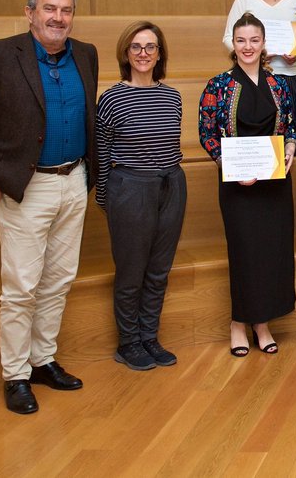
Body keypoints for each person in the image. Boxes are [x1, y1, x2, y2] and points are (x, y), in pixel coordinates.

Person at [0, 0, 97, 415]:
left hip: (73, 181)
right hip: (25, 187)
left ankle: (41, 360)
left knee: (59, 280)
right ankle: (15, 374)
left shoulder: (85, 54)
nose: (58, 18)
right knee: (21, 288)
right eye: (49, 9)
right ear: (30, 13)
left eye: (66, 10)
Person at [199, 13, 296, 358]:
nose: (248, 47)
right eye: (241, 40)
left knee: (272, 252)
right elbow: (207, 134)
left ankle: (263, 323)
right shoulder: (218, 85)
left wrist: (290, 146)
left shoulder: (279, 85)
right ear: (233, 44)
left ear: (263, 42)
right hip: (238, 186)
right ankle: (238, 323)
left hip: (274, 185)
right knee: (244, 254)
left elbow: (291, 126)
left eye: (254, 40)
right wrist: (229, 165)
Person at [96, 21, 186, 370]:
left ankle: (150, 337)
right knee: (131, 271)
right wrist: (105, 197)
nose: (144, 53)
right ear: (126, 53)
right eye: (136, 47)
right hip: (130, 189)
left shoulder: (172, 96)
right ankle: (128, 342)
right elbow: (102, 153)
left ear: (160, 54)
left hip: (171, 187)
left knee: (159, 270)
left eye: (150, 47)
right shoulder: (112, 98)